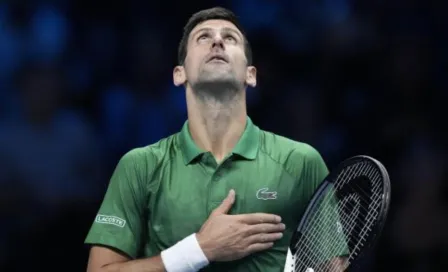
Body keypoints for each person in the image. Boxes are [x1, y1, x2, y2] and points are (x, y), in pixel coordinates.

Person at [85, 6, 347, 272]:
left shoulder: (301, 162)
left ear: (251, 74)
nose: (218, 41)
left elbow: (333, 267)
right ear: (180, 74)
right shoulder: (139, 166)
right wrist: (199, 249)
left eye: (230, 38)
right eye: (203, 38)